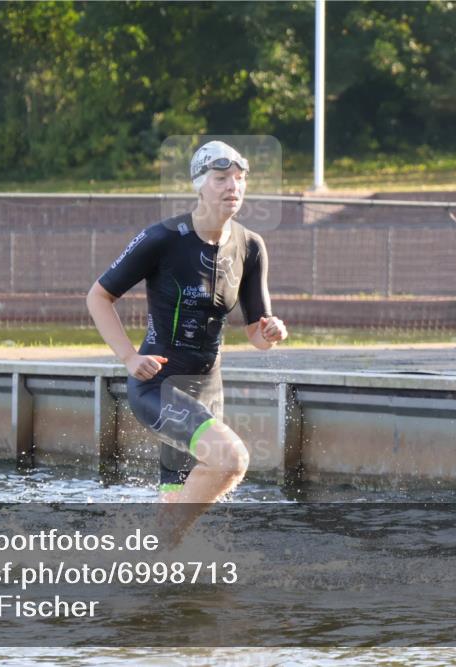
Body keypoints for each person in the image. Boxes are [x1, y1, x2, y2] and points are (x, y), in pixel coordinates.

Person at [86, 140, 287, 546]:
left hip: (208, 392)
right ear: (199, 186)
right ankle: (147, 554)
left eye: (239, 178)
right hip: (159, 385)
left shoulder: (250, 246)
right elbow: (98, 296)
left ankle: (142, 567)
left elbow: (255, 333)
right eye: (220, 178)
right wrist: (128, 357)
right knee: (232, 459)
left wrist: (269, 333)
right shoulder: (162, 238)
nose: (233, 186)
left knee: (178, 520)